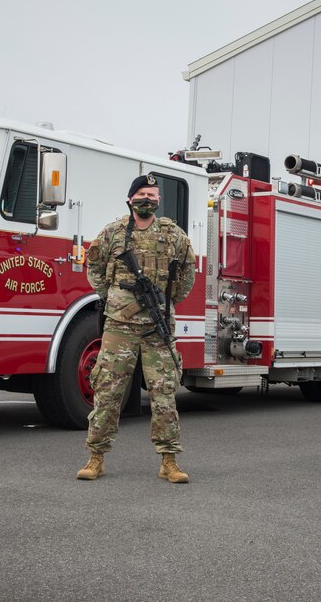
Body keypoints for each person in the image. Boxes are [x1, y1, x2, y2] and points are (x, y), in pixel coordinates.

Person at [77, 173, 196, 483]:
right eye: (142, 194)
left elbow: (187, 270)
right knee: (107, 390)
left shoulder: (173, 235)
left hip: (157, 329)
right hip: (120, 326)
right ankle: (96, 457)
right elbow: (95, 265)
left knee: (164, 393)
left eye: (153, 195)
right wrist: (110, 296)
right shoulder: (113, 233)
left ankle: (169, 461)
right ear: (130, 198)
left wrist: (169, 300)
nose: (148, 199)